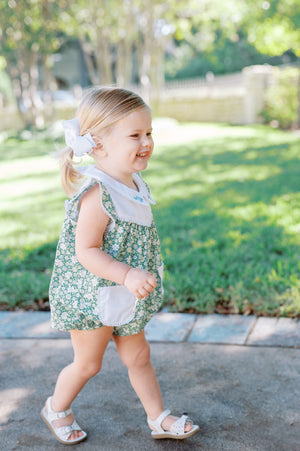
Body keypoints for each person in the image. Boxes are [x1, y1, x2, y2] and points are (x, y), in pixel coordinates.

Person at [41, 87, 199, 445]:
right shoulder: (99, 194)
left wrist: (133, 277)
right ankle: (56, 407)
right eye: (135, 135)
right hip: (93, 296)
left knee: (139, 356)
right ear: (99, 143)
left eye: (149, 133)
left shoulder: (132, 183)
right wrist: (127, 274)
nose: (146, 142)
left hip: (124, 294)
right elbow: (86, 251)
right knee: (88, 364)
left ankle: (157, 417)